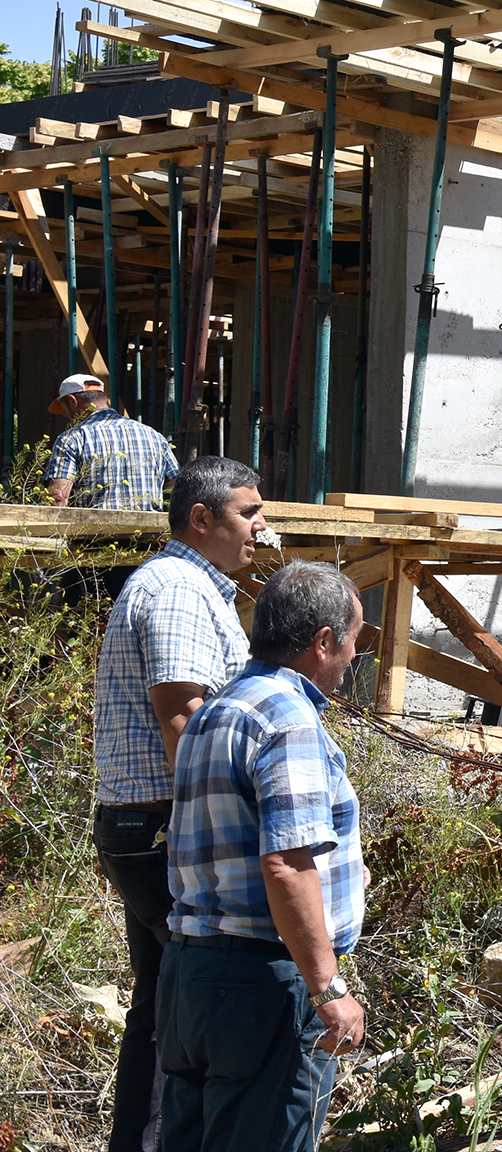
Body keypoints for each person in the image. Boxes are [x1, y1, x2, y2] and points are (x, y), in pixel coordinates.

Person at [156, 561, 367, 1152]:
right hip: (261, 982)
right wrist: (327, 988)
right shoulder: (287, 718)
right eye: (354, 638)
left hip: (192, 974)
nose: (355, 655)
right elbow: (286, 864)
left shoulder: (214, 712)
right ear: (323, 641)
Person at [91, 456, 264, 1152]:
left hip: (151, 824)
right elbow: (183, 719)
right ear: (201, 518)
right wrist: (236, 823)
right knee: (197, 998)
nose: (261, 526)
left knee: (163, 1002)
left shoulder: (185, 585)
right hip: (166, 827)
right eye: (248, 512)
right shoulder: (179, 591)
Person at [45, 373, 179, 510]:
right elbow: (179, 491)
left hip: (94, 524)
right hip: (149, 524)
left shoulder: (73, 438)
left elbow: (58, 497)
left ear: (73, 401)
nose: (67, 417)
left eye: (65, 410)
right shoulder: (155, 437)